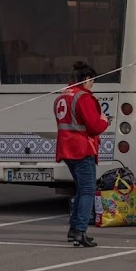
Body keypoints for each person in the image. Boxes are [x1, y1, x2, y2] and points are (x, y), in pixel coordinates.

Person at [54, 62, 109, 248]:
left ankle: (74, 229)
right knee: (87, 191)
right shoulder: (83, 98)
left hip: (66, 148)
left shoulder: (63, 95)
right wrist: (105, 122)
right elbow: (94, 127)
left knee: (80, 189)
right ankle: (80, 231)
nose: (92, 84)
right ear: (86, 79)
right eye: (92, 81)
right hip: (82, 148)